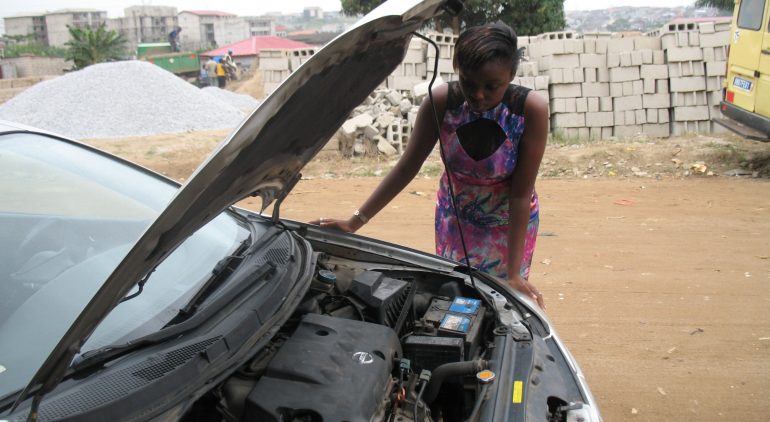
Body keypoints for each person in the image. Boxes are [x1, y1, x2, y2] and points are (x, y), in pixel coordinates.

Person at [313, 23, 549, 309]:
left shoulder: (529, 111)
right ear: (457, 69)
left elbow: (521, 194)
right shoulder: (441, 103)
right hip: (455, 220)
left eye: (491, 86)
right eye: (469, 82)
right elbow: (406, 167)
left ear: (510, 75)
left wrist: (513, 273)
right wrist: (355, 222)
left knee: (500, 303)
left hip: (507, 227)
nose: (478, 95)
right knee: (456, 296)